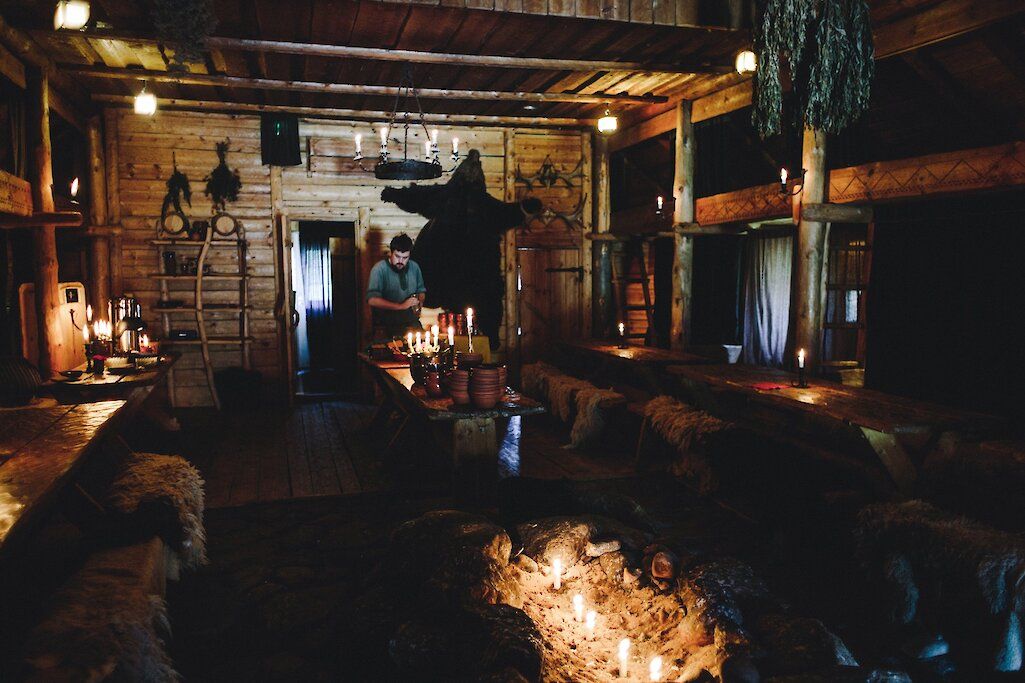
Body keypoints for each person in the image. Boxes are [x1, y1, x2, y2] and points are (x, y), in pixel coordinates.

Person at [366, 233, 426, 338]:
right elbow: (372, 300)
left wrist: (419, 303)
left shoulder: (414, 267)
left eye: (405, 258)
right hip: (386, 325)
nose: (401, 261)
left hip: (411, 323)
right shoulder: (379, 269)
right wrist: (401, 306)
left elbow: (421, 291)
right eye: (397, 256)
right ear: (391, 253)